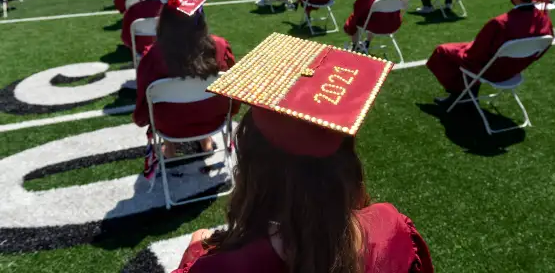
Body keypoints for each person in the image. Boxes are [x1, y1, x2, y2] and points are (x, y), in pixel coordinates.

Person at [173, 33, 434, 273]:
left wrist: (195, 250)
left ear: (254, 169)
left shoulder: (223, 267)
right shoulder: (391, 227)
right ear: (345, 161)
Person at [133, 0, 239, 162]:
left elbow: (144, 107)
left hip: (170, 126)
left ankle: (171, 147)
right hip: (213, 118)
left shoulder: (153, 56)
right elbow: (235, 93)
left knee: (165, 108)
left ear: (164, 20)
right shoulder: (220, 46)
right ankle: (206, 140)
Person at [427, 0, 555, 106]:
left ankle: (460, 92)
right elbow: (541, 51)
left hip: (490, 71)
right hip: (513, 70)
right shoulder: (545, 21)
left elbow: (474, 56)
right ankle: (466, 91)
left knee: (442, 52)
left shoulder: (500, 23)